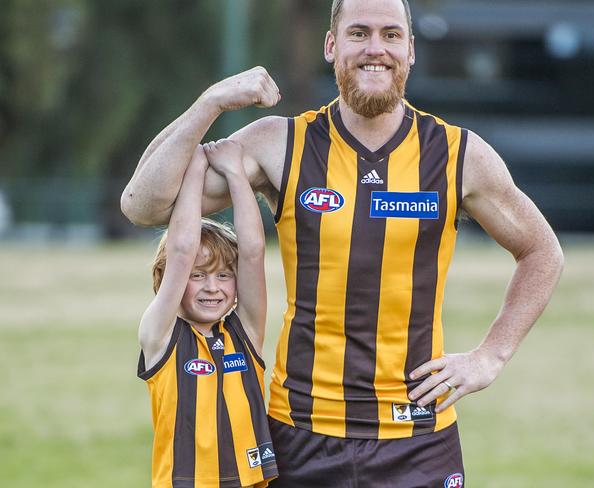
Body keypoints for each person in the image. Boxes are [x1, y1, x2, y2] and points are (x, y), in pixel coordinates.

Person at [123, 0, 564, 485]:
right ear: (331, 46)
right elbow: (143, 204)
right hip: (301, 435)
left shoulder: (458, 155)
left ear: (411, 50)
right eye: (359, 33)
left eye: (391, 35)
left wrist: (490, 356)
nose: (376, 48)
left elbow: (541, 251)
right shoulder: (281, 144)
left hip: (418, 437)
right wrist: (209, 104)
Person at [137, 141, 278, 487]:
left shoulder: (245, 333)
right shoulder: (161, 335)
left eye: (223, 275)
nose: (212, 287)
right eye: (197, 276)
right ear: (167, 278)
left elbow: (253, 253)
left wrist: (234, 172)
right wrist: (195, 169)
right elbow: (182, 251)